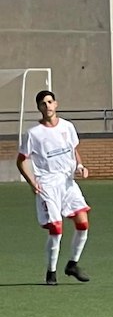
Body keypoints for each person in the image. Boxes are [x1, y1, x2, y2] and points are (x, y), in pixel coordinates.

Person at [15, 90, 92, 286]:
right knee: (56, 229)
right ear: (39, 108)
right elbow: (21, 161)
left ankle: (72, 264)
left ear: (56, 104)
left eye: (50, 102)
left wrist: (80, 166)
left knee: (83, 223)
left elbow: (74, 151)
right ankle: (51, 273)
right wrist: (33, 182)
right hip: (48, 184)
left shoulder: (67, 127)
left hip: (67, 183)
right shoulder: (34, 133)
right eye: (43, 103)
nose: (47, 106)